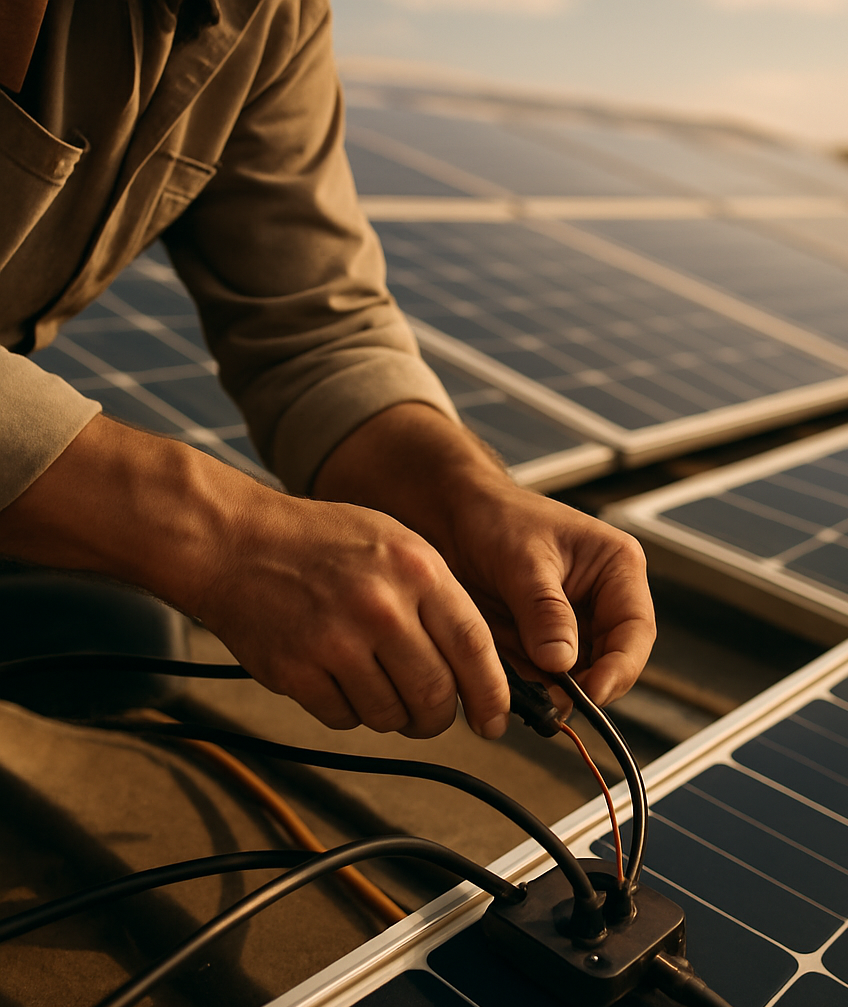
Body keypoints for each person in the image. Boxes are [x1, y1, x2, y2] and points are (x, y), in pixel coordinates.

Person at [0, 0, 656, 741]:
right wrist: (223, 538)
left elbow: (315, 325)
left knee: (122, 644)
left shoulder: (274, 18)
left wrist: (464, 495)